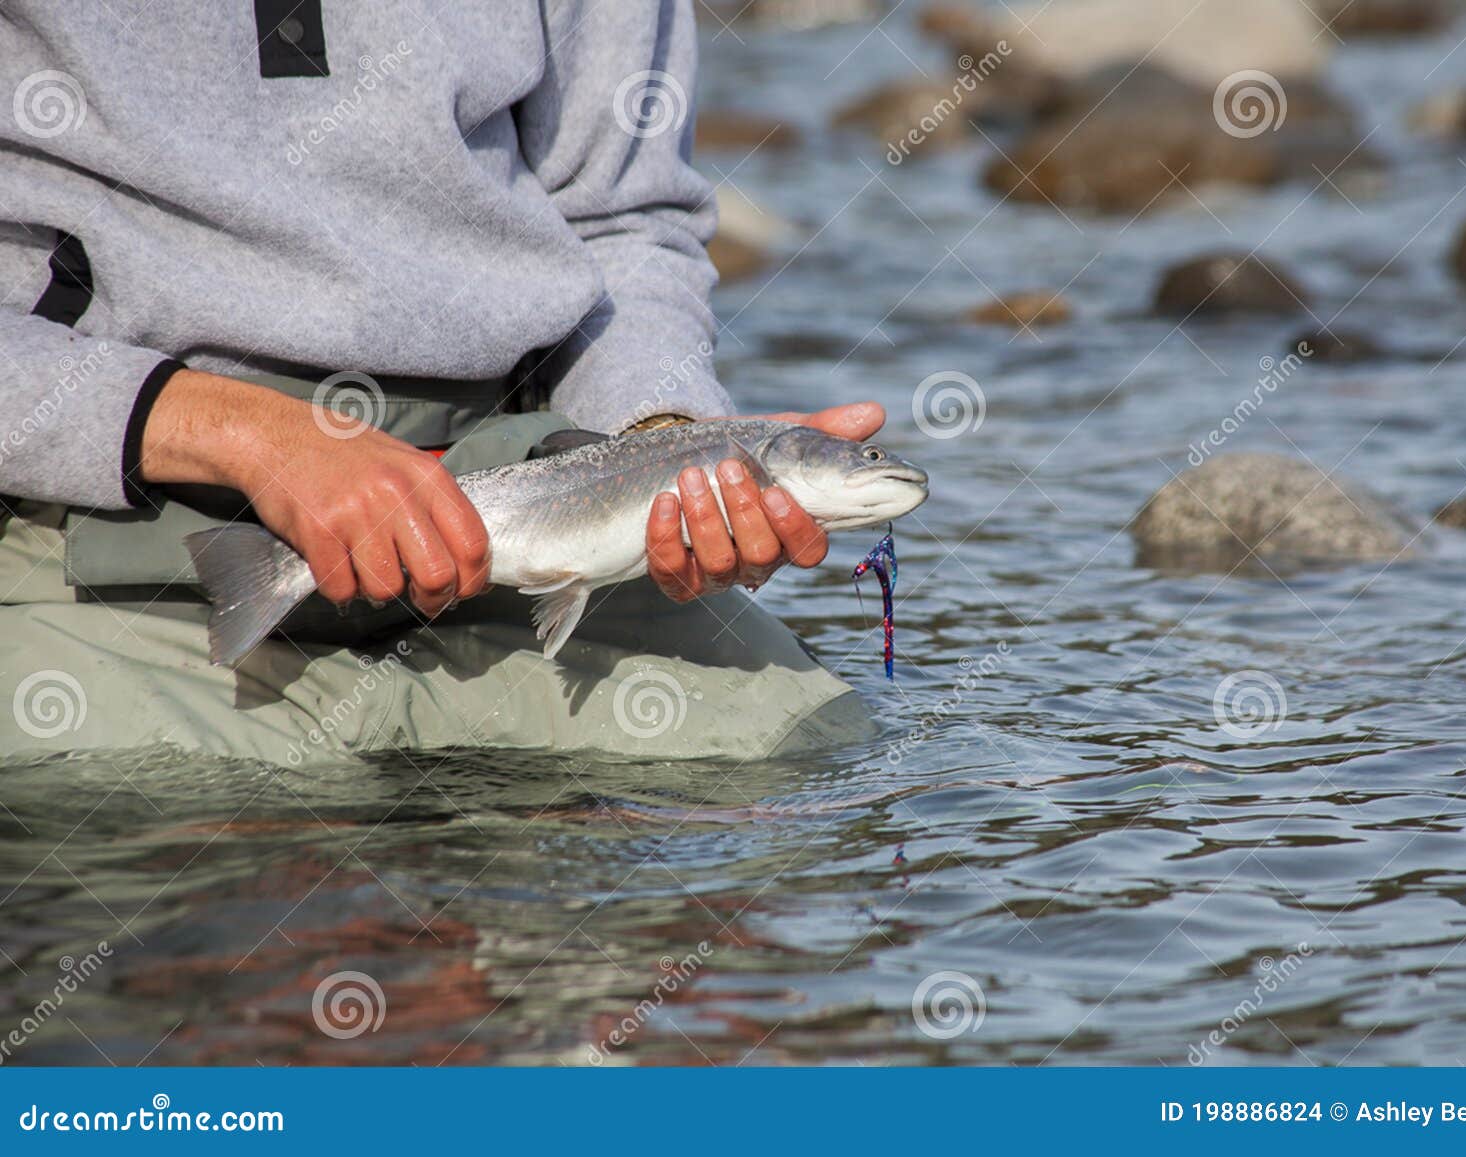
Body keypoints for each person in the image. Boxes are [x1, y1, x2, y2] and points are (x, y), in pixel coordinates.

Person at [0, 2, 881, 764]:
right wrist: (238, 433)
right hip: (109, 540)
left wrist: (665, 437)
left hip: (515, 514)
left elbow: (625, 222)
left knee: (810, 751)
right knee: (197, 857)